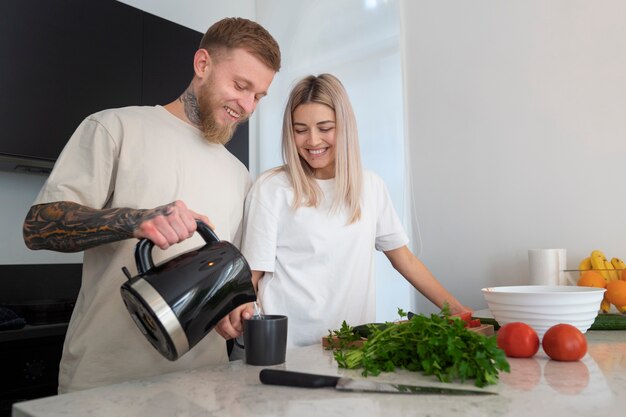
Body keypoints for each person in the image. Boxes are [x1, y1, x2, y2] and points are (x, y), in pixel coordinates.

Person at [22, 17, 281, 392]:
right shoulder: (115, 127)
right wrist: (135, 221)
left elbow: (224, 276)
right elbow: (38, 227)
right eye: (240, 86)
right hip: (106, 384)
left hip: (204, 389)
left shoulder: (239, 174)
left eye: (258, 96)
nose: (247, 106)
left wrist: (232, 309)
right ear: (203, 64)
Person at [216, 74, 470, 347]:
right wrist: (234, 313)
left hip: (351, 348)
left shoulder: (370, 187)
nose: (313, 141)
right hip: (286, 351)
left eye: (325, 128)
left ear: (345, 127)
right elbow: (253, 275)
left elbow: (404, 260)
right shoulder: (271, 188)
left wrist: (458, 310)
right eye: (300, 129)